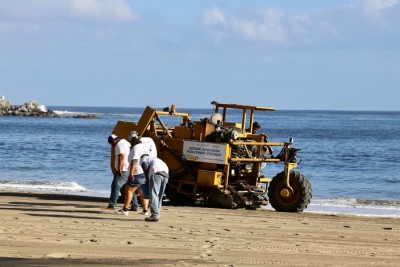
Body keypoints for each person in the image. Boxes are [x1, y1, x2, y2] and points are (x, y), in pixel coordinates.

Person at [115, 133, 153, 216]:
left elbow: (135, 160)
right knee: (141, 191)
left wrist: (131, 172)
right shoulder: (145, 146)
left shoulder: (136, 148)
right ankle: (145, 210)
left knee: (129, 190)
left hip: (137, 172)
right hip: (144, 171)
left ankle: (125, 209)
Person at [104, 134, 139, 211]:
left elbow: (121, 156)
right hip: (128, 167)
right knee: (129, 188)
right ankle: (135, 205)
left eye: (111, 144)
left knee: (115, 186)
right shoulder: (126, 142)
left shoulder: (118, 145)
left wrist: (119, 168)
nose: (112, 146)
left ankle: (112, 205)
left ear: (113, 141)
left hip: (123, 169)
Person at [140, 155, 169, 222]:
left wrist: (146, 177)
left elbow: (144, 165)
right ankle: (157, 214)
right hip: (166, 174)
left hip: (156, 173)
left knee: (153, 194)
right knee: (159, 196)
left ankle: (154, 215)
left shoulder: (144, 158)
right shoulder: (156, 159)